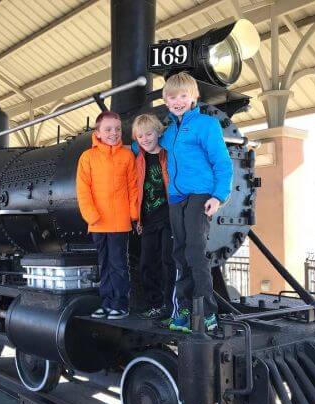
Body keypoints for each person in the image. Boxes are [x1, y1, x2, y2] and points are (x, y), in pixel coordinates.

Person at [132, 72, 233, 333]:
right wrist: (128, 148)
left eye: (183, 96)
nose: (177, 101)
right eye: (172, 96)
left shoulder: (205, 125)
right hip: (176, 198)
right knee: (179, 254)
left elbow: (222, 162)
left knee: (195, 252)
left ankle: (208, 311)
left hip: (200, 195)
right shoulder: (169, 131)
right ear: (166, 100)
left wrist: (218, 196)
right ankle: (184, 310)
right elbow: (148, 144)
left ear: (193, 98)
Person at [76, 111, 138, 320]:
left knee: (119, 265)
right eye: (108, 129)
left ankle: (120, 304)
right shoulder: (87, 157)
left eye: (118, 129)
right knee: (104, 265)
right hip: (98, 223)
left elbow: (133, 187)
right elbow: (83, 190)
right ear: (98, 133)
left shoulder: (127, 156)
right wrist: (91, 216)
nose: (114, 133)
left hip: (120, 223)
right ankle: (107, 302)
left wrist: (133, 214)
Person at [131, 114, 175, 320]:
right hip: (147, 219)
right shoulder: (138, 156)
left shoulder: (168, 153)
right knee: (148, 263)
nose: (145, 139)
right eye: (140, 136)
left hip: (168, 217)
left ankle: (170, 305)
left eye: (149, 133)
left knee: (168, 260)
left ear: (159, 133)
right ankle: (154, 304)